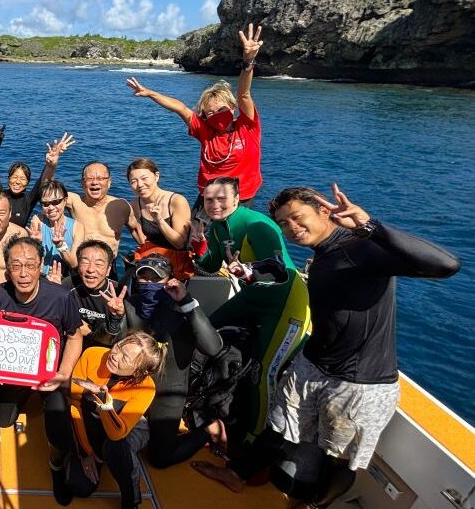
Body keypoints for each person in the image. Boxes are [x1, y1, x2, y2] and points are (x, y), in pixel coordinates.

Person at [194, 184, 460, 508]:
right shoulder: (322, 252)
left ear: (324, 210)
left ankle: (314, 505)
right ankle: (237, 475)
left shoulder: (363, 250)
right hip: (313, 364)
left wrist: (371, 226)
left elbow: (446, 265)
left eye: (296, 217)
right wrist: (250, 271)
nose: (292, 228)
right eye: (284, 224)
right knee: (277, 426)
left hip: (358, 382)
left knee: (339, 458)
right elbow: (284, 269)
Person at [191, 176, 310, 443]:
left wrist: (246, 271)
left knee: (263, 374)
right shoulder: (219, 228)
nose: (214, 205)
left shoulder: (257, 225)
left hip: (284, 302)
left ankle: (252, 438)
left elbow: (278, 273)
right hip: (253, 297)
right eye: (209, 200)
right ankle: (216, 397)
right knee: (204, 331)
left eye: (221, 199)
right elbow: (211, 266)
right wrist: (199, 245)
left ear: (236, 198)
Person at [126, 23, 265, 212]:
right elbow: (180, 108)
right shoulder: (205, 131)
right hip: (208, 198)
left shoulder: (247, 127)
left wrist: (248, 61)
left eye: (221, 109)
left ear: (233, 107)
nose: (216, 116)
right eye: (210, 113)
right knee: (196, 238)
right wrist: (150, 93)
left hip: (241, 199)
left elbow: (244, 95)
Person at [0, 237, 86, 489]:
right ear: (7, 268)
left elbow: (74, 336)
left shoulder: (60, 297)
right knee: (2, 420)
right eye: (16, 265)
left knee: (59, 432)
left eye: (30, 265)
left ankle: (57, 466)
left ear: (41, 265)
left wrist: (63, 374)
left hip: (50, 375)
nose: (24, 273)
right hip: (14, 374)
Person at [123, 254, 226, 469]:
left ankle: (210, 429)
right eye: (143, 278)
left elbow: (213, 348)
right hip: (132, 384)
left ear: (170, 281)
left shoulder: (182, 310)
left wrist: (187, 303)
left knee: (160, 459)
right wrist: (115, 318)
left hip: (168, 389)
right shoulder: (128, 304)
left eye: (156, 279)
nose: (149, 284)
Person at [49, 333, 166, 509]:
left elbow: (117, 433)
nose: (114, 355)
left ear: (138, 372)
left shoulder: (146, 387)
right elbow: (75, 405)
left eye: (125, 357)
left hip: (126, 429)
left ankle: (131, 499)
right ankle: (64, 464)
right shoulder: (93, 354)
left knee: (117, 447)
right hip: (89, 422)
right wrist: (85, 452)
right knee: (80, 487)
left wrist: (105, 404)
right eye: (118, 346)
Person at [0, 122, 72, 227]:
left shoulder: (28, 200)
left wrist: (50, 164)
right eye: (14, 177)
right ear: (8, 179)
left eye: (22, 179)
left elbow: (43, 180)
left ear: (28, 182)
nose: (17, 181)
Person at [125, 158, 194, 281]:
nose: (140, 184)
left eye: (144, 178)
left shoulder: (176, 201)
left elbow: (180, 243)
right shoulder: (136, 205)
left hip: (177, 266)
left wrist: (160, 220)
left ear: (156, 176)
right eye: (133, 181)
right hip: (153, 264)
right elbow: (141, 238)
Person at [65, 161, 135, 270]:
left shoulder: (121, 205)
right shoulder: (74, 201)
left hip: (108, 267)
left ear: (109, 182)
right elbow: (47, 192)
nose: (95, 182)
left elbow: (138, 232)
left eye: (100, 178)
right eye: (89, 178)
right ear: (82, 183)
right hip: (78, 265)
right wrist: (51, 165)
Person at [59, 240, 127, 349]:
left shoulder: (118, 293)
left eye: (99, 264)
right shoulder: (67, 285)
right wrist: (52, 293)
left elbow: (114, 340)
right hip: (70, 346)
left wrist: (117, 316)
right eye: (85, 262)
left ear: (108, 269)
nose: (91, 269)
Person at [29, 179, 86, 276]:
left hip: (64, 280)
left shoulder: (77, 227)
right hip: (40, 276)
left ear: (65, 201)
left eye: (56, 202)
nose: (51, 208)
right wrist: (35, 244)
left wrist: (61, 246)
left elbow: (74, 264)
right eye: (46, 204)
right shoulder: (38, 221)